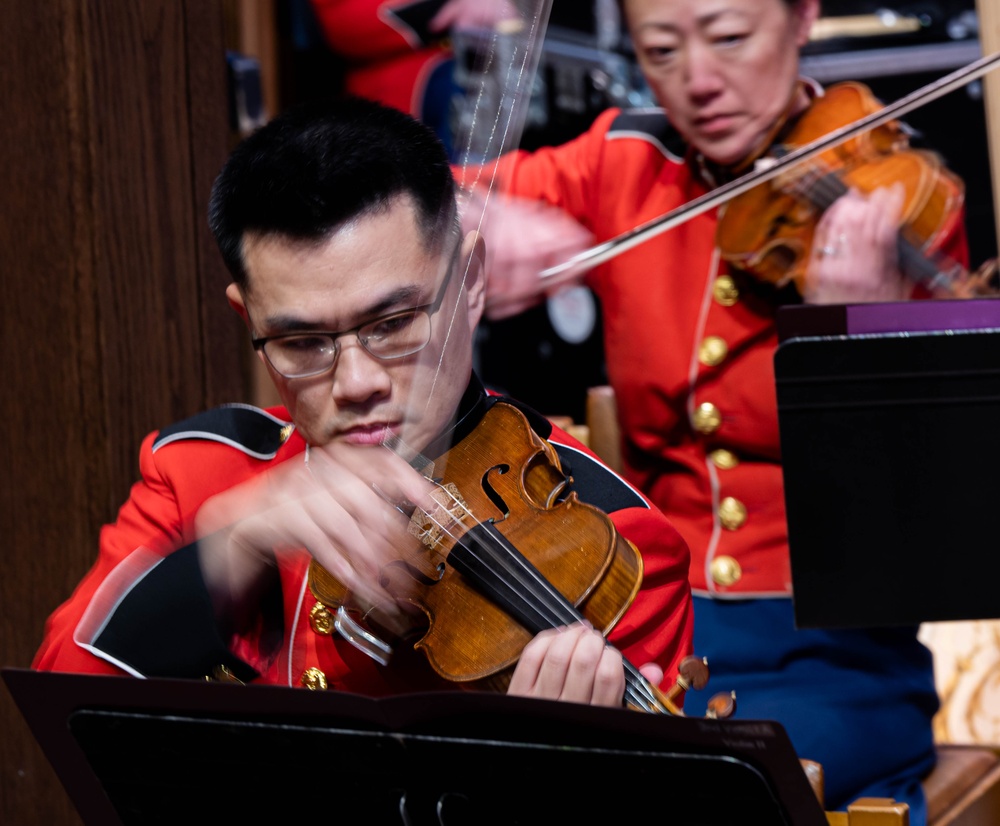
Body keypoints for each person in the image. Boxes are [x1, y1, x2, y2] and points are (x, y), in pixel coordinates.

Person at [456, 0, 972, 820]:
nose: (697, 82)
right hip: (645, 624)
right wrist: (474, 223)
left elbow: (934, 529)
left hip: (835, 657)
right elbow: (412, 200)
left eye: (731, 38)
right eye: (662, 49)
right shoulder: (625, 162)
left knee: (713, 795)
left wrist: (852, 352)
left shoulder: (892, 205)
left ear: (803, 17)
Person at [32, 96, 694, 715]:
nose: (356, 382)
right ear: (248, 318)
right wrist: (237, 542)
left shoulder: (611, 542)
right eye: (302, 340)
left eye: (394, 322)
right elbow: (63, 700)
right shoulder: (199, 473)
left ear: (470, 281)